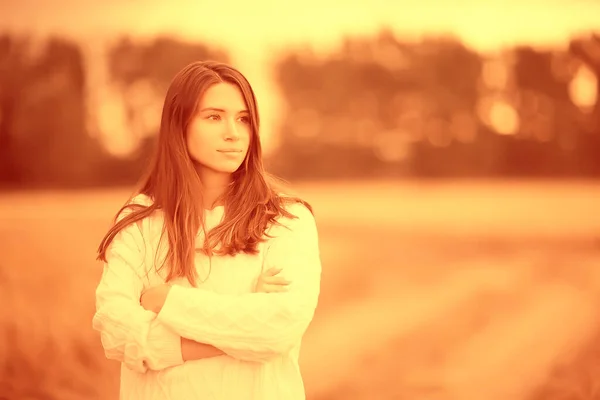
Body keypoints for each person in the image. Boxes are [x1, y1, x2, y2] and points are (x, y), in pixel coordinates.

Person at [92, 60, 322, 400]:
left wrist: (167, 300)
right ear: (178, 124)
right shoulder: (140, 221)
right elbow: (117, 333)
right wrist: (244, 319)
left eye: (243, 118)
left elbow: (277, 330)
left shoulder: (286, 220)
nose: (233, 132)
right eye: (214, 116)